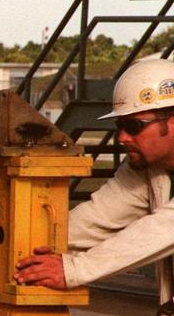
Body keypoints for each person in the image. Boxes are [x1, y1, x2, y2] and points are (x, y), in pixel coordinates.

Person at [15, 56, 174, 298]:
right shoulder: (148, 169)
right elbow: (97, 217)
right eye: (119, 126)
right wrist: (22, 248)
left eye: (134, 126)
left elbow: (163, 229)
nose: (122, 138)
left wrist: (74, 269)